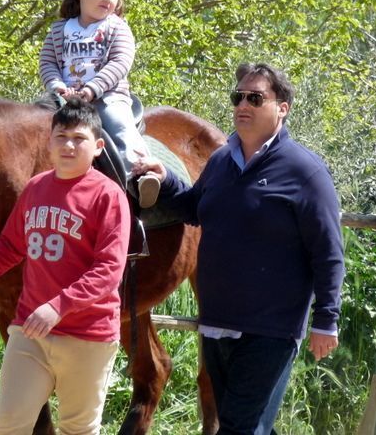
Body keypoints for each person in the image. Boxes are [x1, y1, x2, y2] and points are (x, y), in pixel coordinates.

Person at [133, 62, 345, 435]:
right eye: (238, 97)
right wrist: (165, 179)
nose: (242, 105)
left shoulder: (304, 171)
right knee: (249, 425)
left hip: (271, 329)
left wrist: (327, 319)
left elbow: (328, 251)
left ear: (282, 107)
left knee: (240, 428)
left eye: (255, 98)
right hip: (218, 324)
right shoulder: (220, 162)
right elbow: (194, 208)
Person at [0, 98, 131, 435]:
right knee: (8, 426)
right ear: (49, 142)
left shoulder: (108, 197)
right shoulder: (36, 188)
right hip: (30, 332)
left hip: (88, 336)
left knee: (77, 430)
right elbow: (9, 248)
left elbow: (108, 271)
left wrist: (58, 307)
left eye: (79, 139)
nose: (68, 145)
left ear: (97, 147)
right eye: (61, 136)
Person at [39, 0, 159, 208]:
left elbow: (120, 62)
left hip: (107, 96)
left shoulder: (117, 28)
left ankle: (140, 175)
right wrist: (57, 86)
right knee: (32, 123)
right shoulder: (60, 30)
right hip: (63, 98)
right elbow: (48, 63)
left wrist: (92, 89)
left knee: (119, 125)